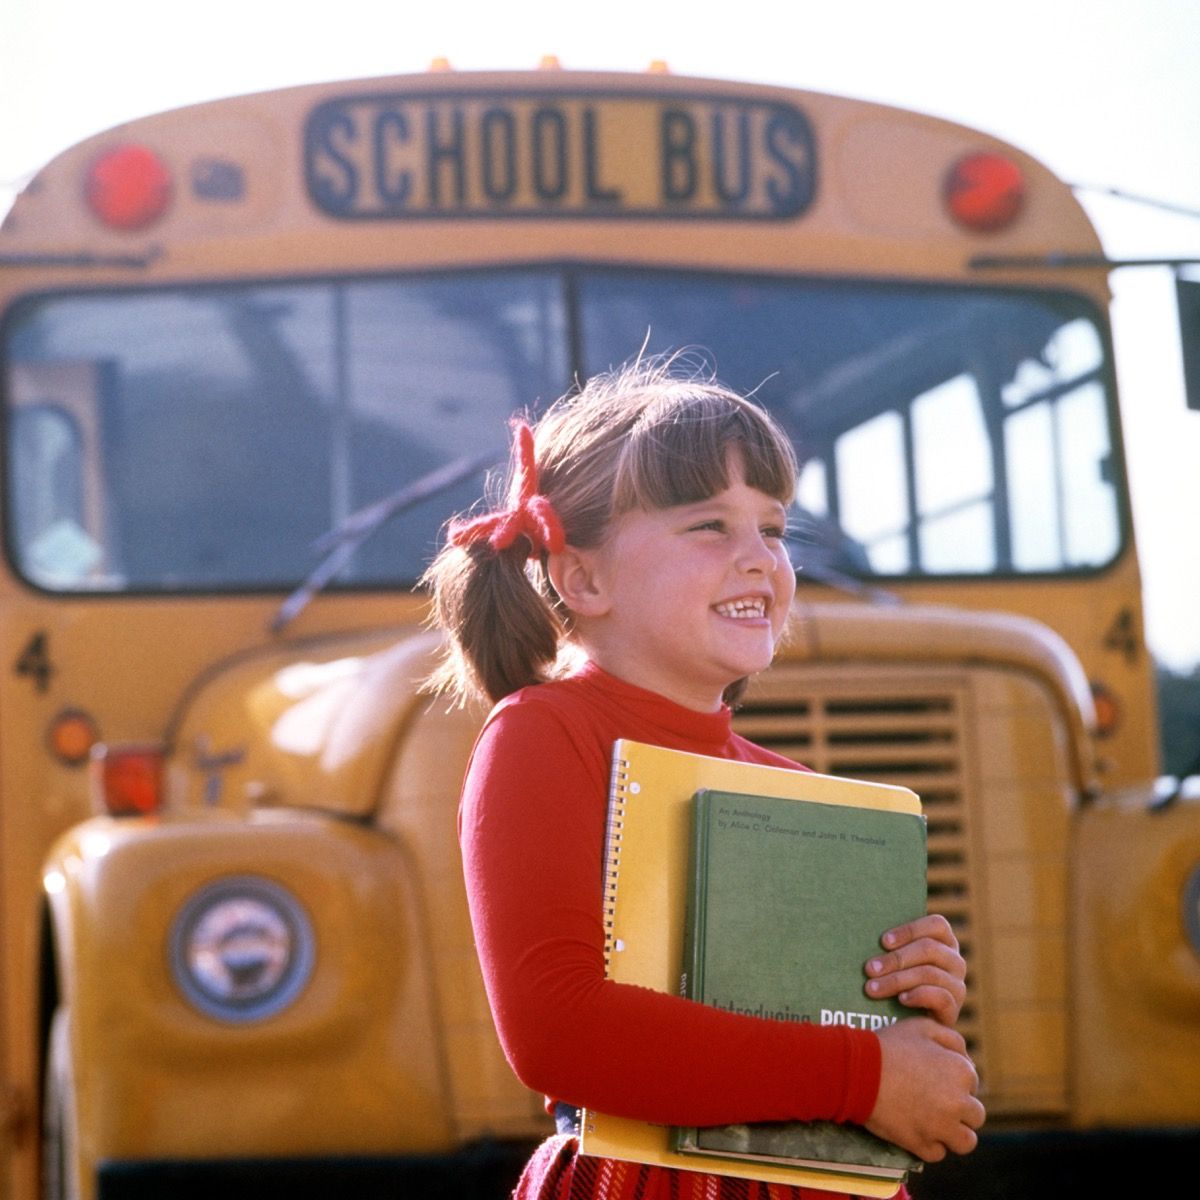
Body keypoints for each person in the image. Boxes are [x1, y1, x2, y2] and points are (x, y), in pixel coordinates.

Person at [424, 357, 984, 1200]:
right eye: (710, 527)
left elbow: (825, 1029)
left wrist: (908, 990)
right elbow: (559, 1031)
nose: (760, 558)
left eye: (775, 529)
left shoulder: (790, 786)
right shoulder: (544, 735)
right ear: (584, 577)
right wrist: (862, 1073)